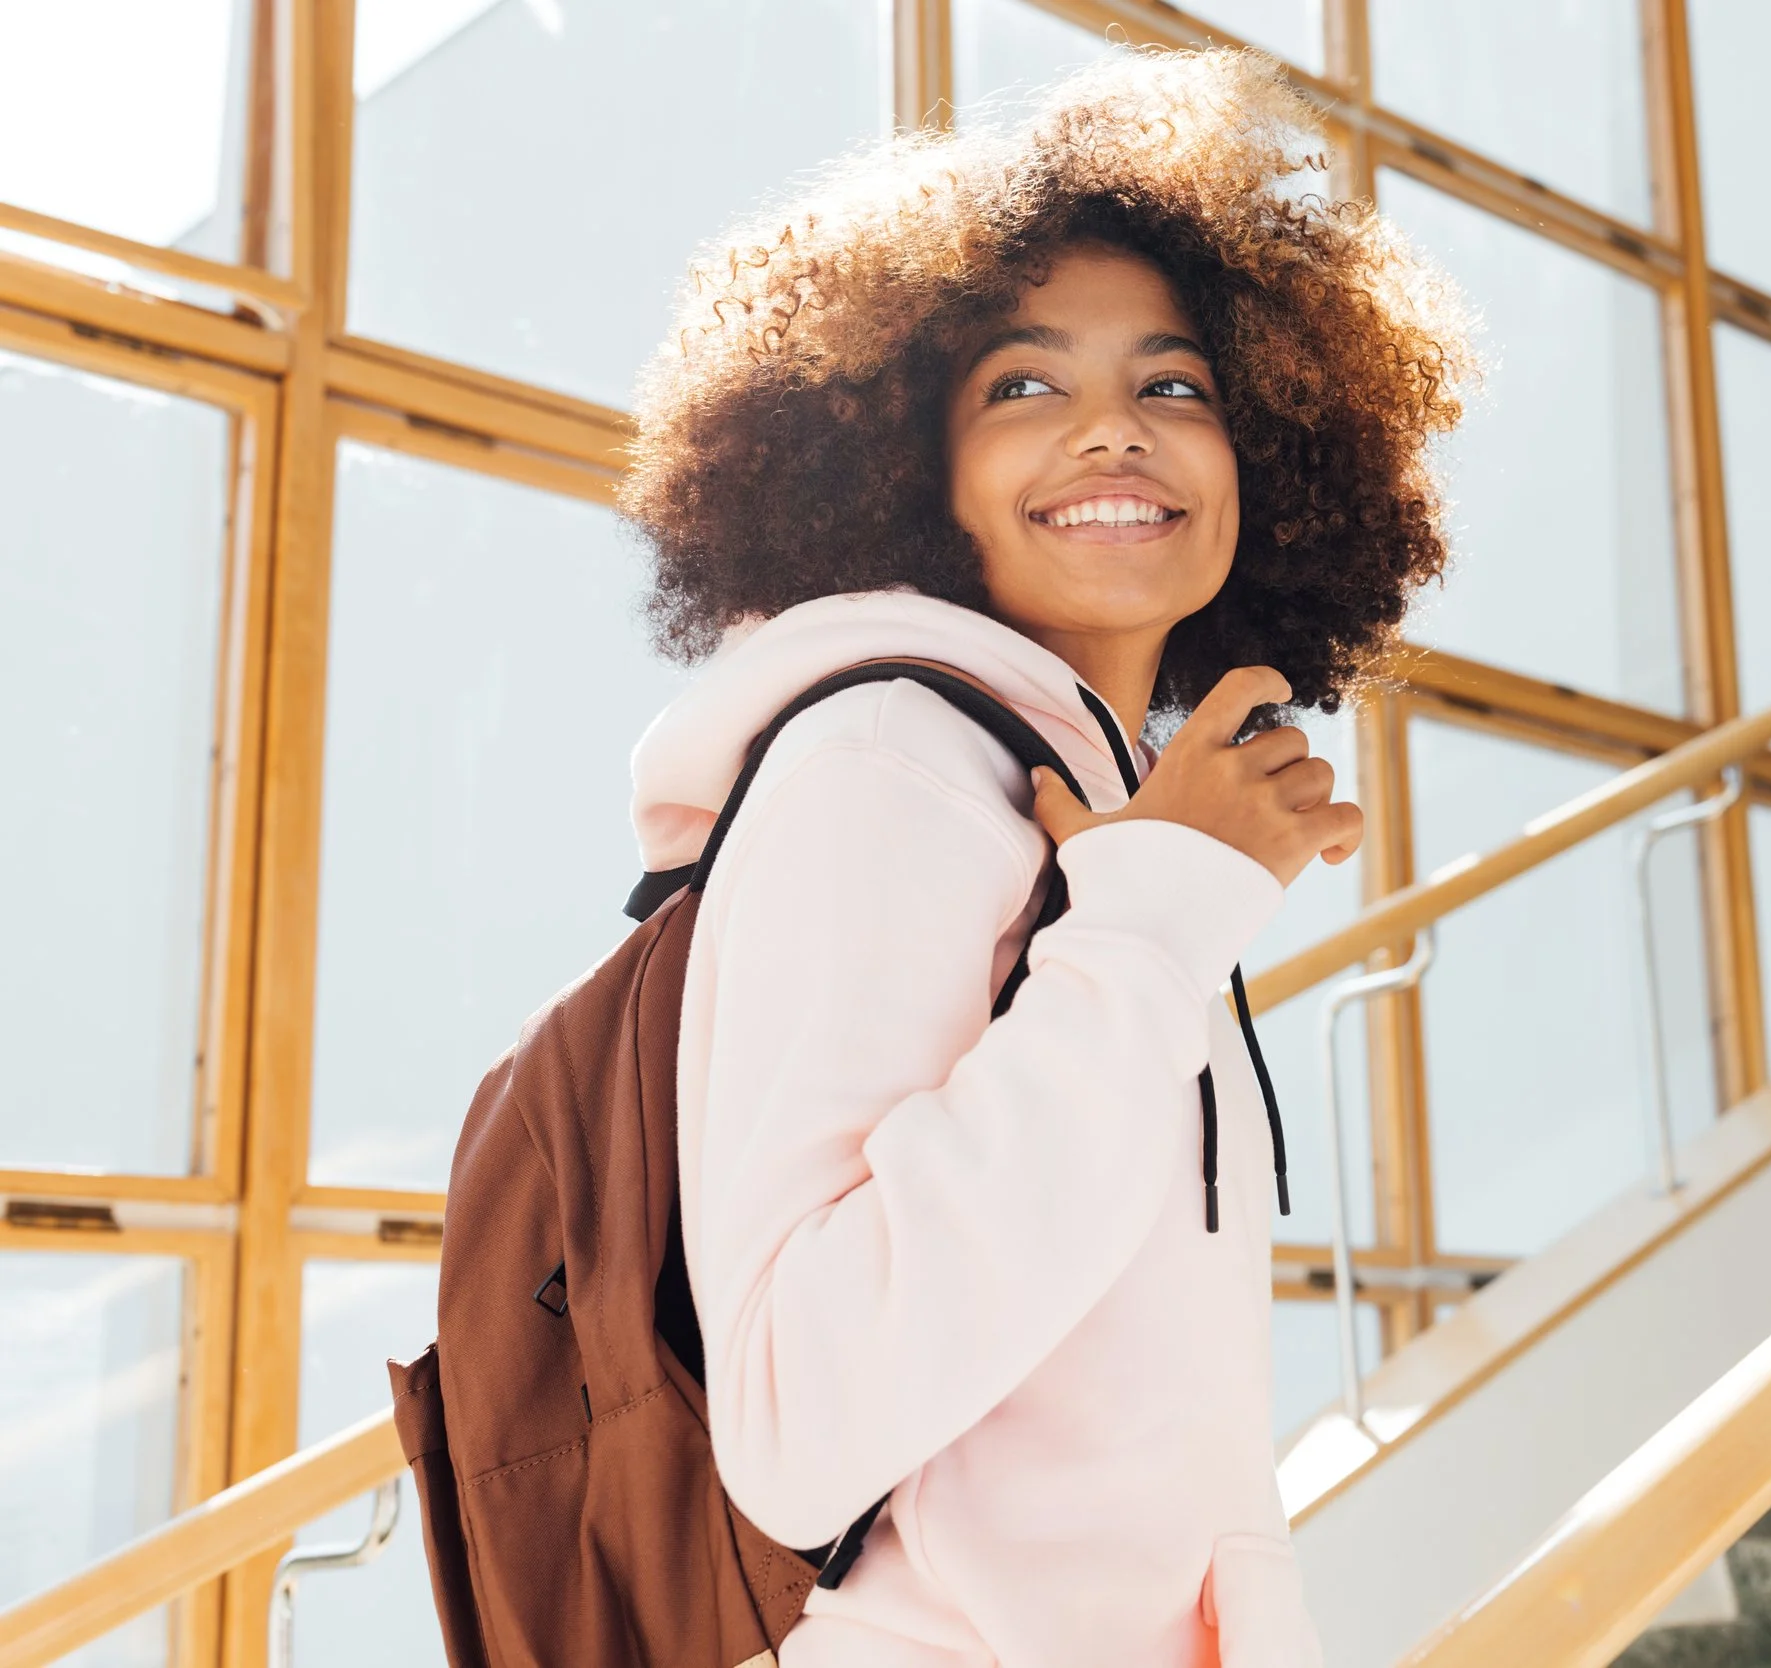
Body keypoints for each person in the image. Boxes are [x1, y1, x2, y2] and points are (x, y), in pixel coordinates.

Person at [616, 47, 1470, 1666]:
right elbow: (800, 1411)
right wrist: (1151, 923)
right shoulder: (889, 768)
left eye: (1174, 386)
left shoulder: (1082, 796)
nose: (1112, 437)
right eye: (1022, 387)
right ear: (899, 469)